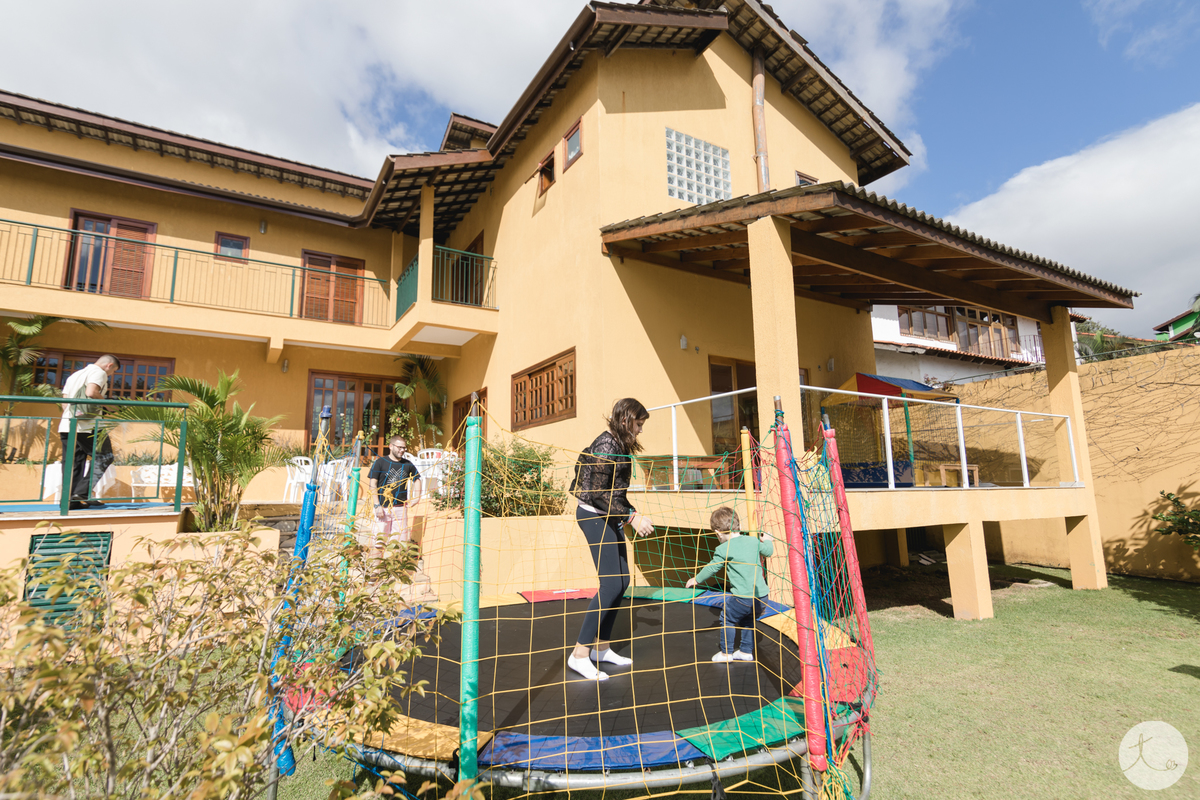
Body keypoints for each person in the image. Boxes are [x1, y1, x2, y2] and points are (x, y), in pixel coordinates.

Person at [567, 398, 655, 681]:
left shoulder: (620, 443)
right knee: (610, 584)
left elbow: (615, 493)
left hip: (609, 515)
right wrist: (631, 518)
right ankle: (579, 654)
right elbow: (597, 494)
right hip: (593, 515)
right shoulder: (606, 444)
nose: (640, 430)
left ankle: (601, 649)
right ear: (627, 420)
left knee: (623, 582)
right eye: (639, 424)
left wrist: (632, 513)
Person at [686, 507, 774, 663]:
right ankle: (746, 652)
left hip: (742, 598)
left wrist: (696, 579)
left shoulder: (723, 549)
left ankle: (726, 654)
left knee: (727, 618)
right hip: (762, 597)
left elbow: (712, 567)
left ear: (718, 532)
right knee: (748, 620)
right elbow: (767, 551)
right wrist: (767, 540)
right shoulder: (753, 541)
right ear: (738, 526)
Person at [58, 354, 121, 510]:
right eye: (113, 371)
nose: (111, 374)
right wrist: (107, 405)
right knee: (105, 456)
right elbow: (91, 392)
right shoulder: (99, 372)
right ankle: (82, 492)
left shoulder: (75, 375)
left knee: (74, 463)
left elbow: (64, 401)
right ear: (109, 365)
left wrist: (74, 416)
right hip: (89, 427)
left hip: (68, 425)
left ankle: (70, 501)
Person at [367, 436, 422, 552]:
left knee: (399, 544)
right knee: (379, 544)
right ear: (391, 446)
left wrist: (416, 498)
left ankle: (395, 569)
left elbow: (417, 479)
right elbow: (373, 484)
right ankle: (377, 570)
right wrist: (377, 505)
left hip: (400, 508)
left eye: (404, 448)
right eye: (399, 447)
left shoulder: (408, 464)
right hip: (383, 508)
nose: (402, 450)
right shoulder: (380, 463)